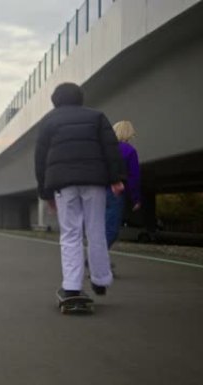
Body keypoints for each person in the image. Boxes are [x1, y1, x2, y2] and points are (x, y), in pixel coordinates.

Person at [34, 83, 125, 298]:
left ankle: (72, 286)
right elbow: (110, 148)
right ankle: (100, 279)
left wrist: (45, 193)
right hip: (94, 181)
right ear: (80, 98)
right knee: (96, 231)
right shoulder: (97, 117)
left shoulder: (48, 121)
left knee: (70, 234)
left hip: (64, 184)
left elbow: (40, 159)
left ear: (54, 100)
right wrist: (116, 179)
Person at [106, 120, 142, 251]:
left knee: (99, 228)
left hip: (98, 191)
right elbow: (134, 177)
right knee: (111, 230)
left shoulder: (104, 149)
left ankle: (98, 261)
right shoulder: (129, 150)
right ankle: (95, 261)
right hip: (115, 193)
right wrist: (136, 198)